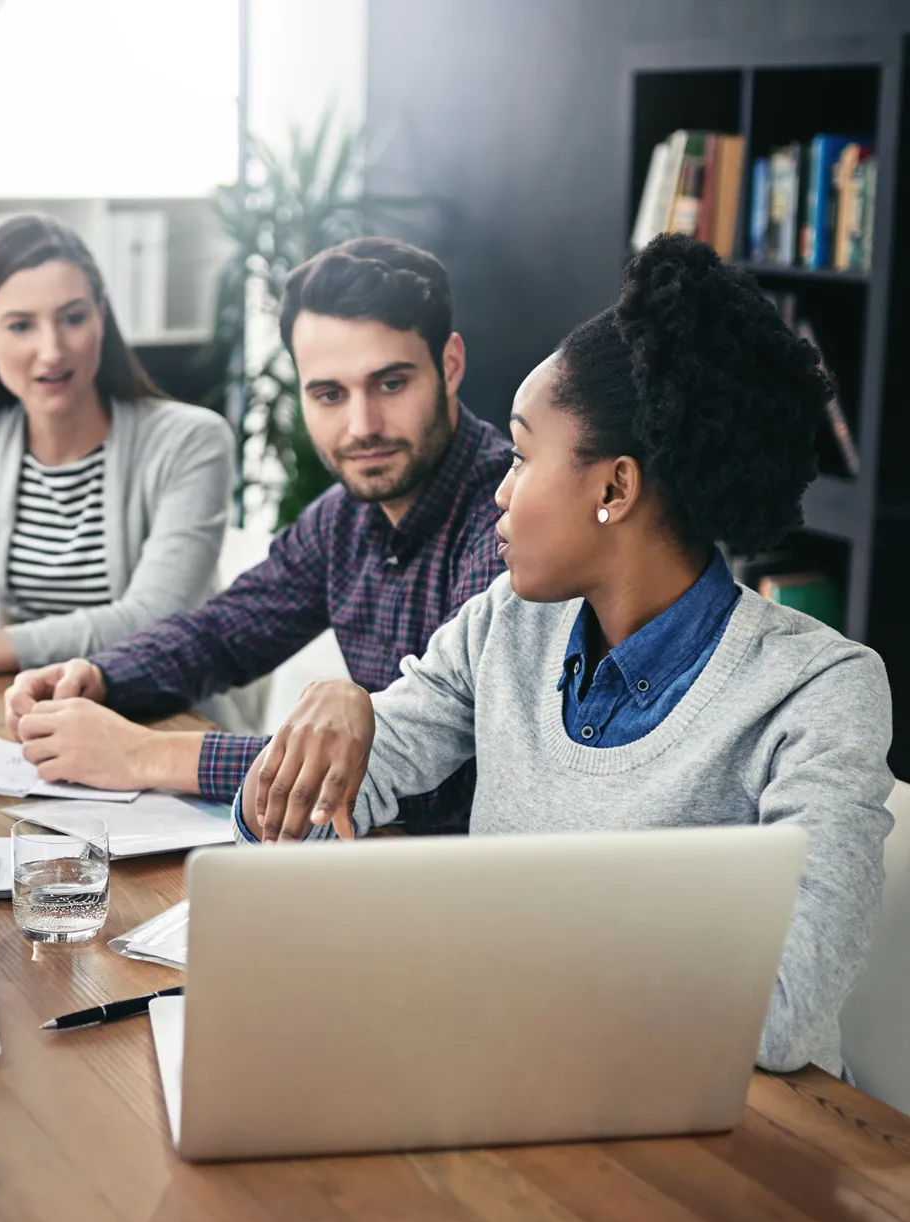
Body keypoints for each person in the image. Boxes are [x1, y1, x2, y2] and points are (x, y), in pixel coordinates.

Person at [236, 234, 894, 1077]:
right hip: (514, 1077)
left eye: (519, 454)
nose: (501, 493)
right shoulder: (505, 624)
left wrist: (467, 926)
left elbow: (782, 1013)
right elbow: (294, 833)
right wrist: (322, 726)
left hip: (729, 1153)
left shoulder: (819, 690)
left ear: (613, 489)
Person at [3, 237, 512, 831]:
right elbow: (226, 631)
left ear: (449, 365)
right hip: (373, 868)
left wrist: (140, 755)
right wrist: (100, 675)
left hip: (467, 892)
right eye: (328, 393)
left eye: (391, 384)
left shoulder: (506, 518)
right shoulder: (342, 516)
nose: (362, 425)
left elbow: (440, 775)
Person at [0, 214, 233, 681]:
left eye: (73, 318)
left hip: (167, 714)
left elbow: (151, 619)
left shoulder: (193, 441)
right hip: (24, 704)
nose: (52, 350)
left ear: (101, 317)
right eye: (21, 326)